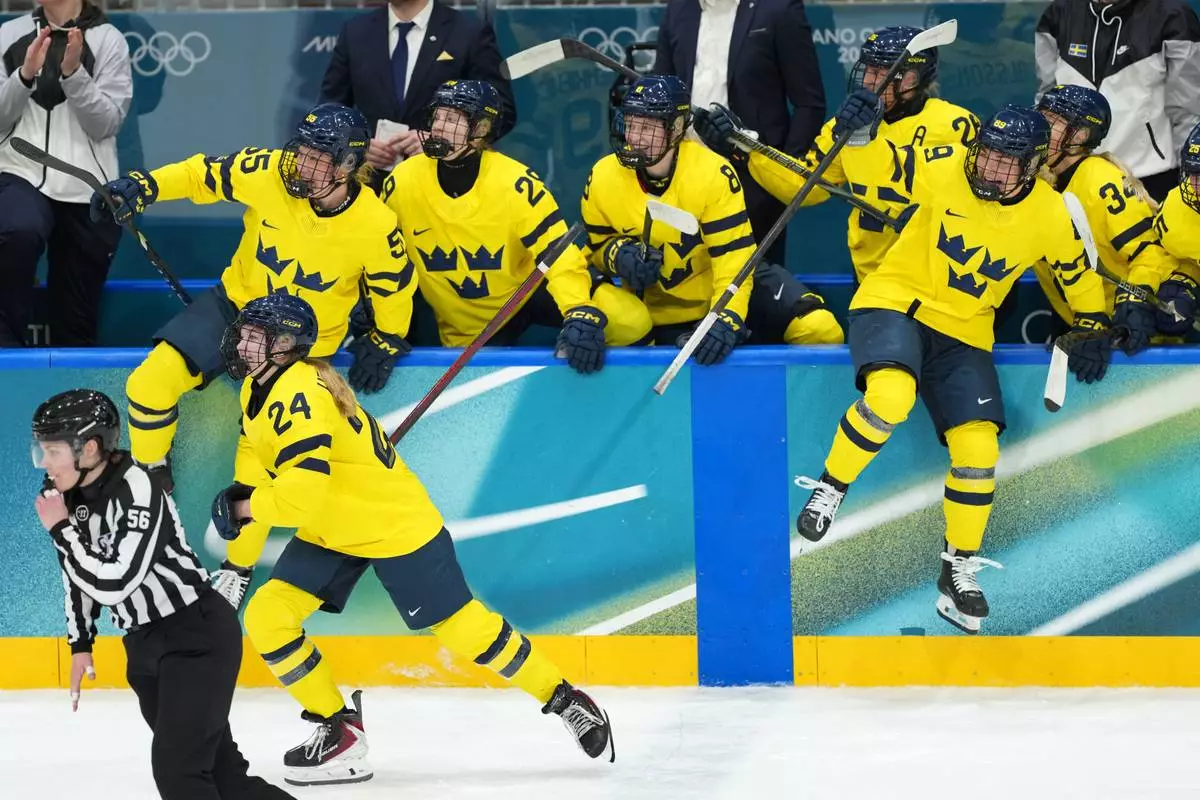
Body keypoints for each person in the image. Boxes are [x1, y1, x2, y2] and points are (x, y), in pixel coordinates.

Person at [211, 293, 615, 786]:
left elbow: (296, 499)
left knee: (465, 629)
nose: (245, 344)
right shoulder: (260, 389)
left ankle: (565, 698)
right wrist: (244, 495)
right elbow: (258, 453)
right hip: (333, 526)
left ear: (289, 347)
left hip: (391, 524)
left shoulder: (302, 396)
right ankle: (339, 729)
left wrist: (245, 508)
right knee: (268, 617)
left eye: (259, 337)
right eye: (246, 334)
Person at [792, 105, 1113, 634]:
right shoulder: (946, 166)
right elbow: (878, 169)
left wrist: (1095, 322)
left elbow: (1075, 272)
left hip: (965, 329)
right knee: (891, 395)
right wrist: (861, 131)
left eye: (1007, 163)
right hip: (894, 301)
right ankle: (831, 486)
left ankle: (957, 567)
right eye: (987, 154)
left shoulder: (1053, 213)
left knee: (980, 448)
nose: (991, 168)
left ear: (1034, 166)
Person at [90, 103, 417, 607]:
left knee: (262, 466)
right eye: (301, 153)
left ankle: (237, 568)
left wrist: (388, 339)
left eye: (317, 159)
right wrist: (143, 186)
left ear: (348, 167)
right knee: (147, 385)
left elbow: (394, 289)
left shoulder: (376, 224)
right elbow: (202, 175)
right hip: (235, 310)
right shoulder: (268, 171)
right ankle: (153, 481)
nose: (301, 166)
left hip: (299, 350)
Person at [31, 389, 293, 800]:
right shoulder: (68, 494)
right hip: (144, 644)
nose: (45, 463)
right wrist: (81, 642)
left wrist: (60, 531)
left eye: (52, 451)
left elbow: (117, 581)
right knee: (224, 777)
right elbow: (77, 570)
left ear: (91, 447)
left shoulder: (140, 489)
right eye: (41, 452)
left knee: (180, 773)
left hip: (196, 637)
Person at [694, 25, 979, 287]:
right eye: (868, 70)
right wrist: (745, 147)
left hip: (943, 276)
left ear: (914, 79)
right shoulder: (842, 127)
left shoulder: (956, 125)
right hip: (874, 278)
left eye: (883, 73)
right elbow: (806, 189)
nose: (870, 81)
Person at [583, 74, 841, 359]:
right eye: (631, 124)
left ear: (677, 127)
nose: (635, 138)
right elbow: (595, 249)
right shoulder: (602, 177)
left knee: (821, 329)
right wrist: (617, 256)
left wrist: (726, 317)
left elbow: (734, 262)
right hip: (659, 307)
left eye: (647, 127)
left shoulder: (712, 173)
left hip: (726, 287)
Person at [379, 79, 625, 372]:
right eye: (438, 116)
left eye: (453, 119)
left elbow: (558, 253)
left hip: (530, 289)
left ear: (481, 129)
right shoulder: (402, 182)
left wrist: (578, 310)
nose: (440, 126)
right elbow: (382, 258)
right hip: (471, 324)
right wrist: (378, 325)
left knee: (628, 319)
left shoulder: (516, 183)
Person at [0, 0, 131, 346]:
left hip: (85, 185)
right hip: (19, 171)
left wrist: (74, 74)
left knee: (75, 323)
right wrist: (24, 75)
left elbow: (106, 123)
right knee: (18, 230)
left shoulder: (108, 40)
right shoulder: (9, 35)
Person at [654, 0, 825, 263]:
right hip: (683, 175)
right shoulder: (679, 8)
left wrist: (782, 173)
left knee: (756, 288)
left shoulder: (779, 8)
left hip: (754, 181)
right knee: (680, 282)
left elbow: (809, 103)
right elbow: (661, 93)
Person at [1032, 83, 1179, 353]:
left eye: (1051, 121)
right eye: (1041, 116)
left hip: (1132, 338)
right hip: (1086, 330)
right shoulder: (1038, 184)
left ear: (1079, 136)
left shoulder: (1100, 180)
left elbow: (1152, 254)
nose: (1040, 127)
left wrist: (1132, 308)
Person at [319, 0, 515, 172]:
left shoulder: (469, 32)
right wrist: (355, 146)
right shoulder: (355, 32)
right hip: (371, 188)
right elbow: (329, 110)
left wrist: (444, 141)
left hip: (442, 186)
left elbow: (500, 111)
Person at [1035, 0, 1200, 202]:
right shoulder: (1058, 14)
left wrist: (1191, 176)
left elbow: (1188, 111)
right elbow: (1046, 98)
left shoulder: (1172, 16)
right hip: (1070, 176)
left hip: (1150, 174)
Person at [1148, 121, 1200, 335]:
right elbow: (1188, 258)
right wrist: (1183, 282)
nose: (1198, 187)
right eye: (1195, 174)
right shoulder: (1174, 212)